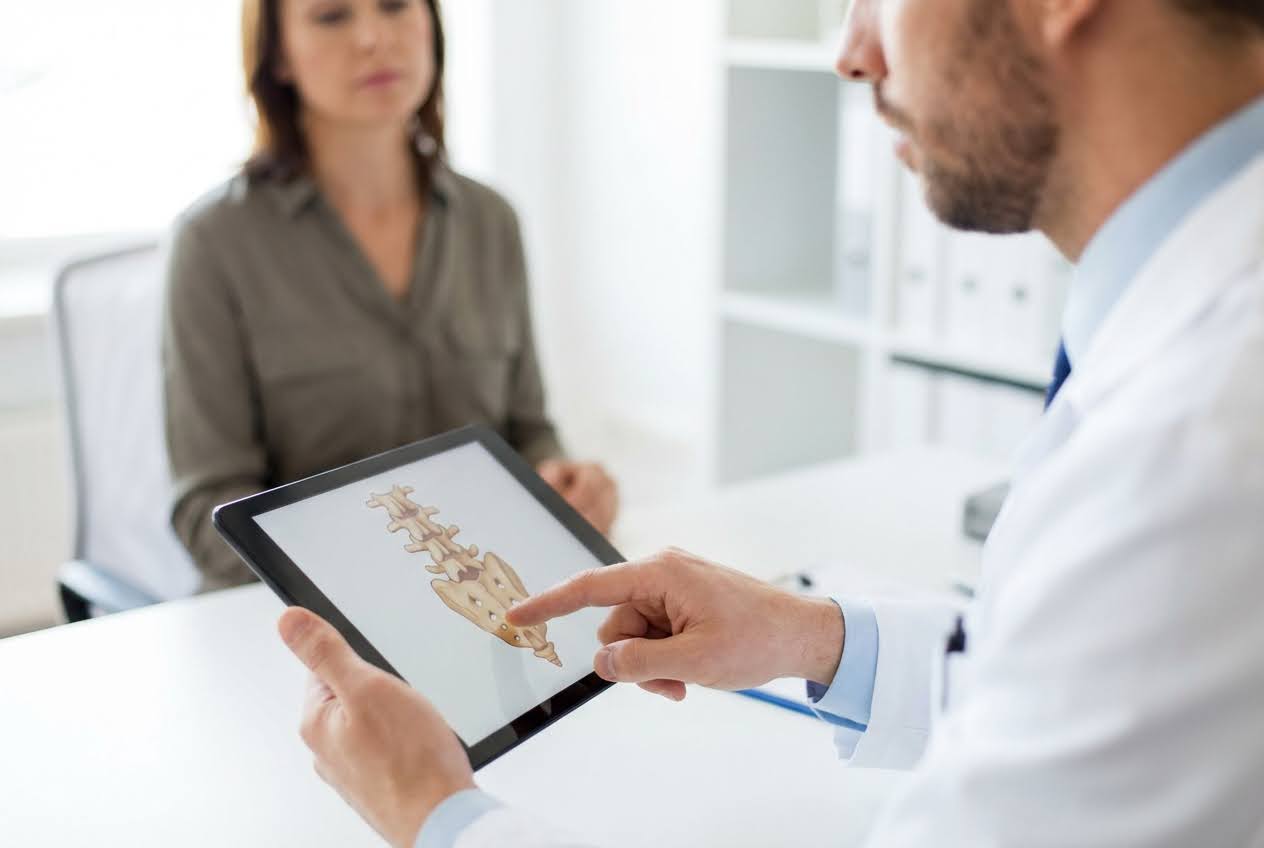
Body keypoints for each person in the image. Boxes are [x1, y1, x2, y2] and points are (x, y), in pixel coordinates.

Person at [276, 1, 1264, 845]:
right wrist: (814, 638)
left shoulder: (1201, 445)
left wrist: (436, 809)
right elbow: (1064, 682)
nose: (852, 51)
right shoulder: (1184, 333)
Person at [163, 0, 617, 594]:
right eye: (332, 17)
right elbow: (209, 510)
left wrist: (563, 482)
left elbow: (527, 431)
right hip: (298, 624)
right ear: (277, 55)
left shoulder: (490, 221)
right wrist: (376, 582)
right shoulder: (214, 242)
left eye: (396, 6)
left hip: (481, 603)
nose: (375, 39)